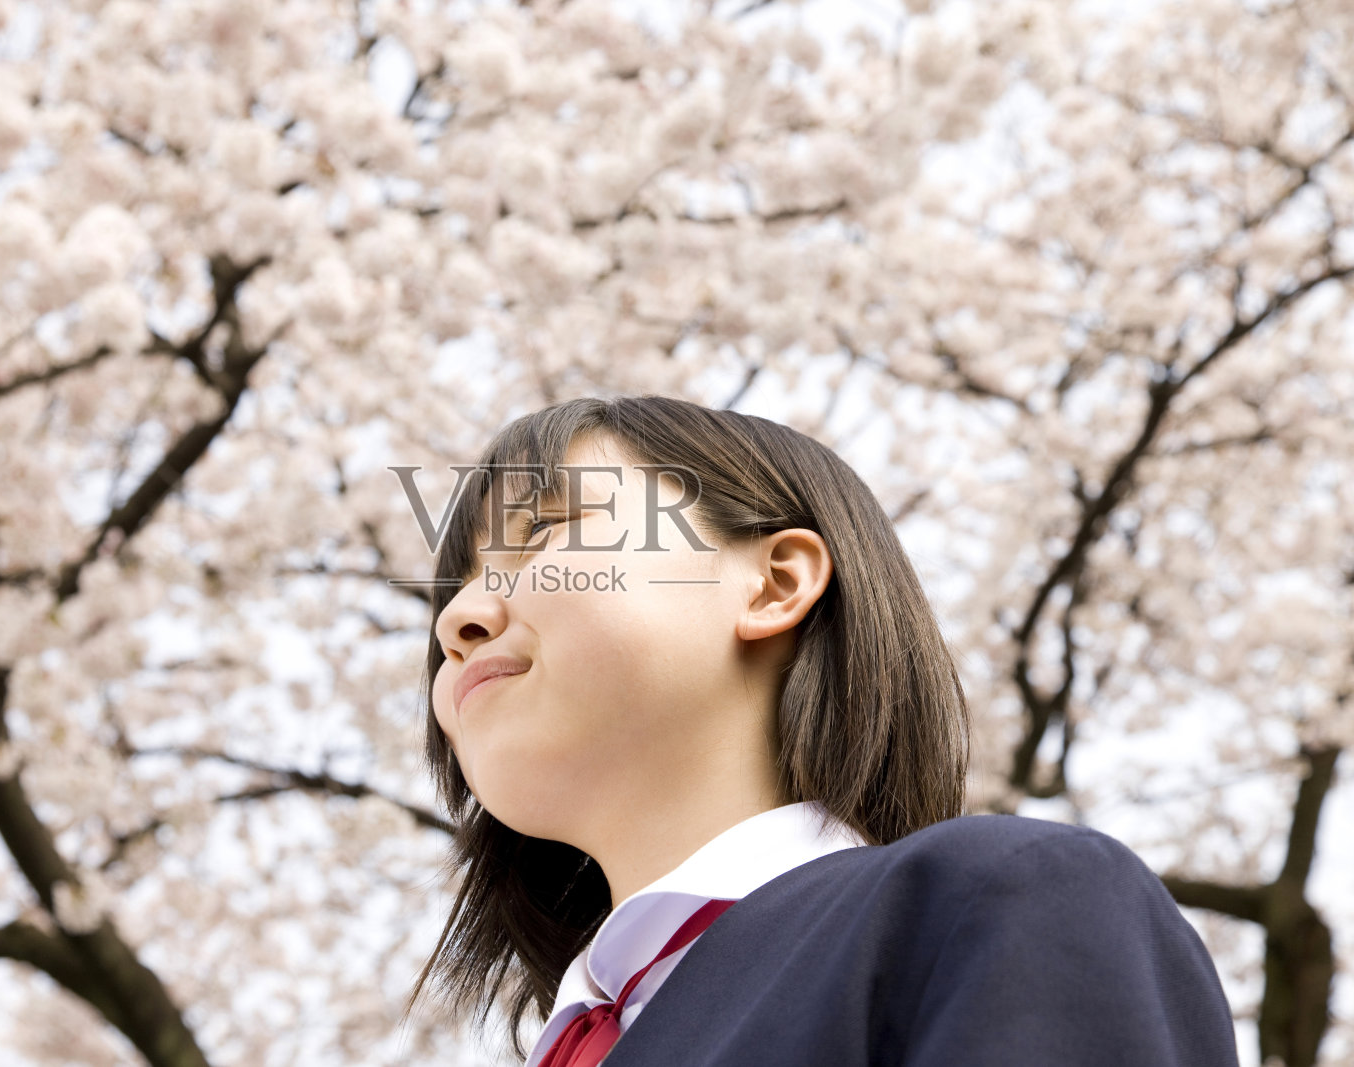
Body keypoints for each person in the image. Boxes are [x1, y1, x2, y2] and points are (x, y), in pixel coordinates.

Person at [404, 395, 1239, 1066]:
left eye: (544, 534)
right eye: (461, 584)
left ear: (774, 584)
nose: (461, 620)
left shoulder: (997, 903)